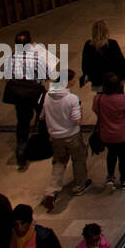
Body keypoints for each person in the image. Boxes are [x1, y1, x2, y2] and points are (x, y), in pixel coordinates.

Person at [39, 76, 90, 211]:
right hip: (71, 135)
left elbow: (41, 116)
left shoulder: (47, 96)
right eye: (72, 79)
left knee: (59, 162)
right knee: (78, 160)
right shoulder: (71, 98)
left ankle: (51, 191)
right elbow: (77, 121)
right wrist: (81, 111)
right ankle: (79, 186)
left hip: (55, 137)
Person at [5, 29, 51, 172]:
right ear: (30, 43)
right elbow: (47, 74)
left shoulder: (10, 58)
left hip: (19, 96)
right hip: (34, 93)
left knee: (23, 123)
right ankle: (44, 145)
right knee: (43, 117)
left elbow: (7, 75)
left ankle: (21, 155)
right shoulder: (36, 58)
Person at [93, 73, 125, 189]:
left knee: (111, 154)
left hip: (105, 134)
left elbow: (96, 111)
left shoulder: (98, 99)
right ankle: (124, 178)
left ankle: (110, 177)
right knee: (122, 156)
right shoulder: (122, 99)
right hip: (121, 134)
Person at [79, 19, 125, 93]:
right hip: (114, 80)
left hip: (99, 82)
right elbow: (121, 62)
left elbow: (85, 65)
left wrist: (90, 77)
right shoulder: (112, 44)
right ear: (106, 31)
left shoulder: (88, 45)